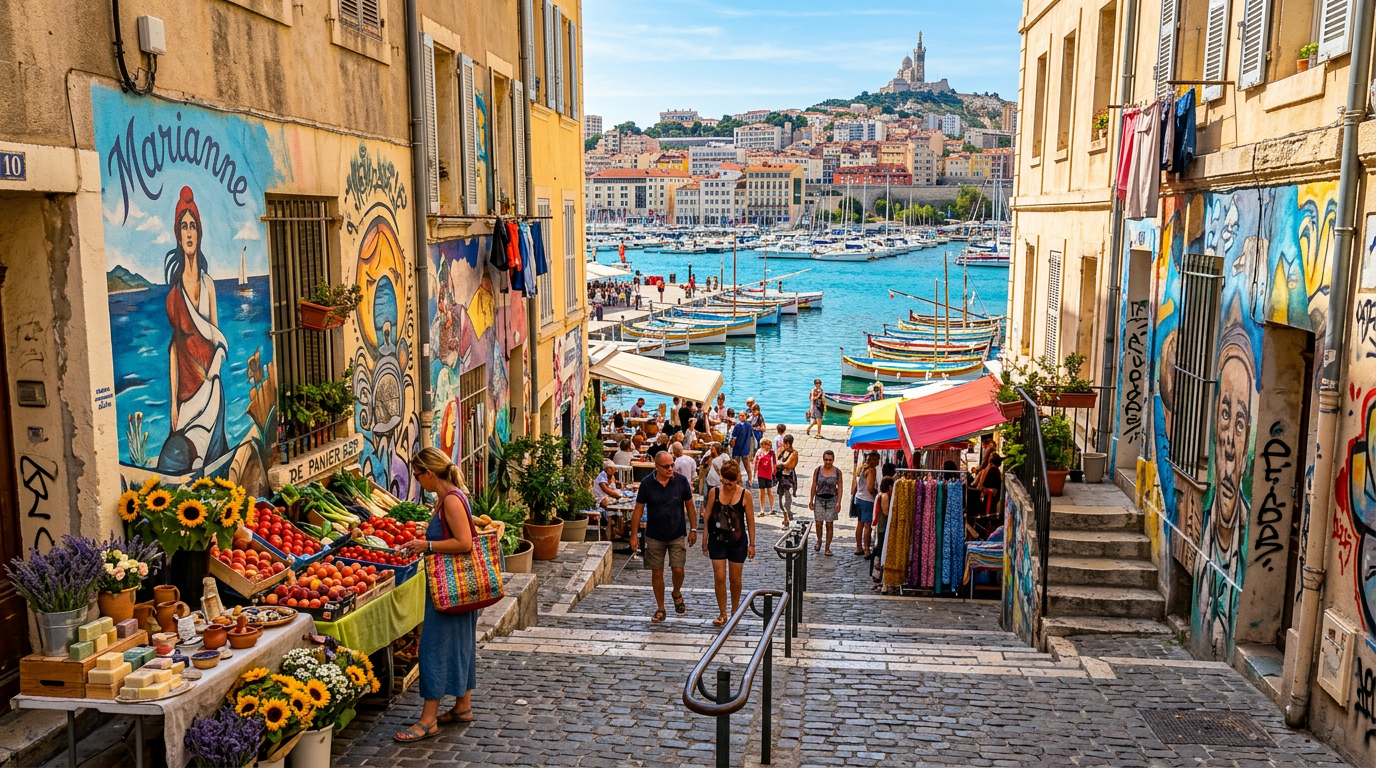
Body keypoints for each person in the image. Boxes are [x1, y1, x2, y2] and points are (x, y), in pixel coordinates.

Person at [394, 448, 479, 741]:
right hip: (459, 589)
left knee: (433, 648)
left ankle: (428, 719)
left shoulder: (452, 500)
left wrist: (427, 545)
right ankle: (462, 707)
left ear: (429, 473)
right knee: (460, 646)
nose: (417, 481)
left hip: (448, 589)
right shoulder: (452, 496)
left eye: (417, 475)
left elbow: (465, 543)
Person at [159, 186, 230, 474]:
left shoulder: (209, 284)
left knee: (207, 451)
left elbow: (216, 335)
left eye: (193, 227)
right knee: (181, 451)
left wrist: (216, 366)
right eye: (183, 227)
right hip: (187, 391)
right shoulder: (173, 296)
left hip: (210, 385)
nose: (189, 233)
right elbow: (174, 350)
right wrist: (174, 405)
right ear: (178, 235)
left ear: (199, 235)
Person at [630, 451, 698, 623]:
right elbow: (638, 509)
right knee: (657, 572)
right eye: (666, 466)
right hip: (654, 535)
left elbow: (690, 506)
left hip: (676, 533)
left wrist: (694, 529)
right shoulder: (647, 484)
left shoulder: (681, 481)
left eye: (672, 465)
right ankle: (661, 608)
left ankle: (676, 592)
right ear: (657, 466)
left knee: (678, 569)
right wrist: (634, 535)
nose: (670, 469)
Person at [701, 461, 756, 626]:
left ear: (738, 479)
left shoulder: (745, 495)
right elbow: (707, 517)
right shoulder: (714, 492)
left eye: (731, 484)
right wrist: (704, 540)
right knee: (719, 577)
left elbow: (751, 521)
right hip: (717, 539)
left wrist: (752, 544)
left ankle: (735, 610)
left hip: (737, 541)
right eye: (725, 483)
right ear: (721, 478)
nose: (728, 486)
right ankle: (723, 612)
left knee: (735, 579)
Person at [808, 450, 843, 556]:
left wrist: (839, 502)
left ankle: (827, 547)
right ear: (823, 459)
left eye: (830, 460)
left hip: (832, 499)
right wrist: (811, 499)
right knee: (818, 523)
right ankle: (819, 540)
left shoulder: (837, 472)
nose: (828, 462)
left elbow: (840, 487)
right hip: (819, 498)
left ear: (833, 460)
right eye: (826, 460)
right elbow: (814, 484)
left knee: (829, 524)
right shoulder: (818, 470)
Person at [852, 451, 880, 557]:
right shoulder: (871, 470)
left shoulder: (863, 468)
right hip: (867, 500)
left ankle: (859, 547)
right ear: (874, 460)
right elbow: (870, 488)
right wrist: (876, 494)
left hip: (859, 498)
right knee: (867, 526)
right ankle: (867, 549)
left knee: (860, 523)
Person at [871, 475, 896, 591]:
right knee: (882, 552)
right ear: (890, 486)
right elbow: (886, 513)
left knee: (883, 552)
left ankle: (881, 578)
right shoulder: (885, 496)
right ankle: (881, 578)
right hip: (884, 528)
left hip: (883, 528)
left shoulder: (882, 495)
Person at [776, 435, 799, 524]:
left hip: (789, 477)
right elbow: (777, 459)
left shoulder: (794, 453)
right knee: (780, 496)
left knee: (786, 495)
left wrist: (780, 463)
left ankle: (787, 516)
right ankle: (786, 514)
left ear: (789, 444)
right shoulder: (782, 451)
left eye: (786, 444)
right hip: (781, 477)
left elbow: (788, 464)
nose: (784, 445)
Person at [729, 411, 756, 485]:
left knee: (737, 464)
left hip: (738, 447)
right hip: (745, 446)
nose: (741, 417)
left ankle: (738, 479)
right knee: (746, 464)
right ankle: (750, 478)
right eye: (740, 415)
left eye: (742, 415)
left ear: (745, 416)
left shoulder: (737, 426)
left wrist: (731, 444)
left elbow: (734, 438)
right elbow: (750, 437)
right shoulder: (749, 425)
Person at [754, 440, 777, 516]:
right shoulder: (759, 452)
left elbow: (774, 463)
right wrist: (754, 473)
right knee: (762, 492)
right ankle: (762, 509)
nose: (769, 447)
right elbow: (756, 463)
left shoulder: (772, 453)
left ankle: (771, 508)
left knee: (769, 491)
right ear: (763, 445)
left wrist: (774, 472)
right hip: (761, 474)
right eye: (767, 445)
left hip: (769, 474)